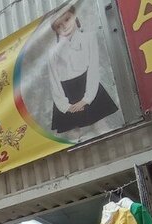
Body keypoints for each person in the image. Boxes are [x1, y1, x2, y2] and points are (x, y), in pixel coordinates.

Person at [46, 3, 118, 139]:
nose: (64, 26)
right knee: (73, 135)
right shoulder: (52, 52)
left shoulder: (89, 39)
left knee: (101, 127)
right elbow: (54, 81)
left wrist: (87, 99)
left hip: (88, 84)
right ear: (55, 30)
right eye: (58, 26)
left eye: (67, 19)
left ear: (75, 16)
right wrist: (65, 105)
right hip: (66, 91)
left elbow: (93, 70)